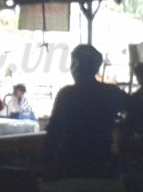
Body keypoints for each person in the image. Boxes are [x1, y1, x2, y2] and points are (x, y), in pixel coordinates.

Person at [43, 44, 131, 179]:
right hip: (102, 165)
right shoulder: (110, 92)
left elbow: (53, 132)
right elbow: (140, 111)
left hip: (70, 166)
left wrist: (47, 164)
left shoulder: (66, 94)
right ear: (95, 67)